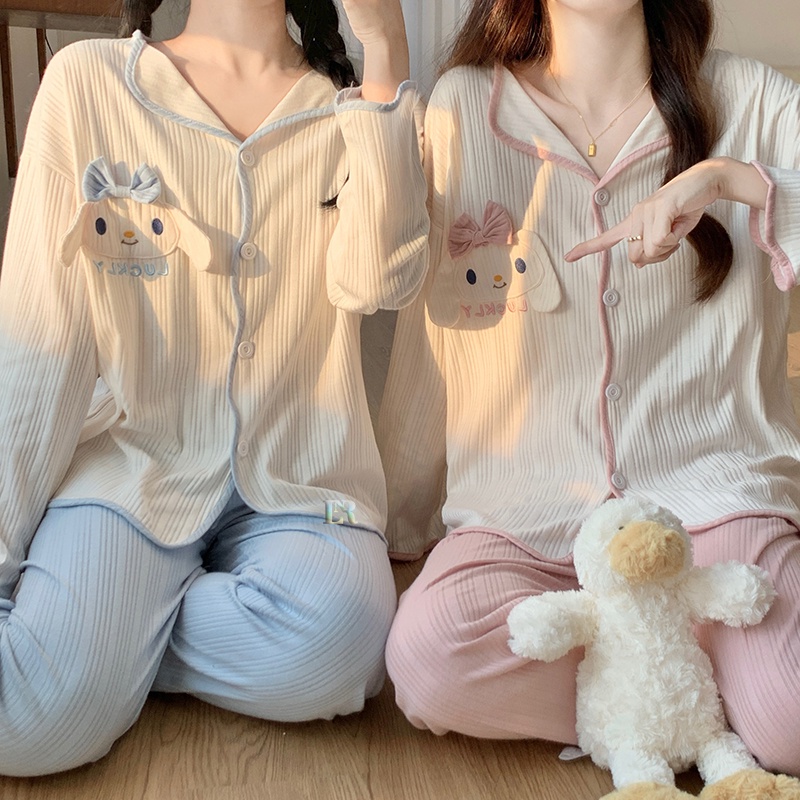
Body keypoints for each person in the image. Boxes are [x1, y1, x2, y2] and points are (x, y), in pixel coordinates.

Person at [0, 0, 427, 777]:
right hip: (133, 469)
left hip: (303, 475)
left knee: (342, 648)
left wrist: (386, 42)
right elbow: (40, 344)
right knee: (31, 723)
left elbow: (382, 282)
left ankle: (110, 644)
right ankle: (96, 642)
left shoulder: (349, 109)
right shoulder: (92, 82)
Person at [378, 0, 800, 782]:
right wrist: (398, 513)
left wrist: (733, 180)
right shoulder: (465, 104)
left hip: (713, 509)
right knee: (431, 659)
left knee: (792, 720)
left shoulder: (750, 99)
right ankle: (676, 696)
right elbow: (427, 339)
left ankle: (679, 693)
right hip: (527, 520)